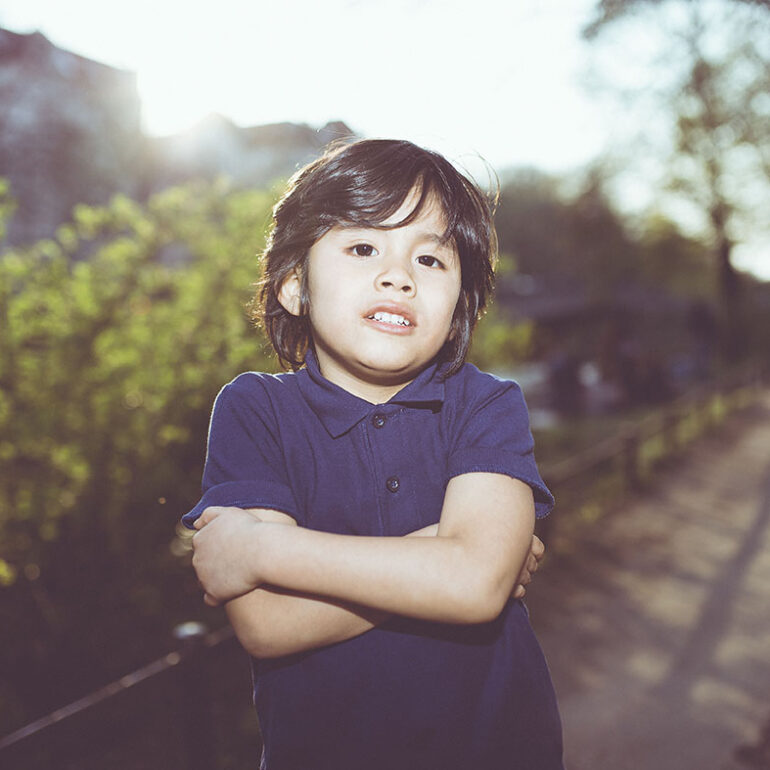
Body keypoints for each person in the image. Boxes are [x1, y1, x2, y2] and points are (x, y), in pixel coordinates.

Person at [183, 139, 564, 770]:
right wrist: (447, 553)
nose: (399, 275)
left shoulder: (488, 403)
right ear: (294, 288)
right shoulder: (254, 411)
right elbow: (270, 624)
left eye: (432, 260)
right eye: (363, 248)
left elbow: (473, 586)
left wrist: (261, 550)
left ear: (460, 303)